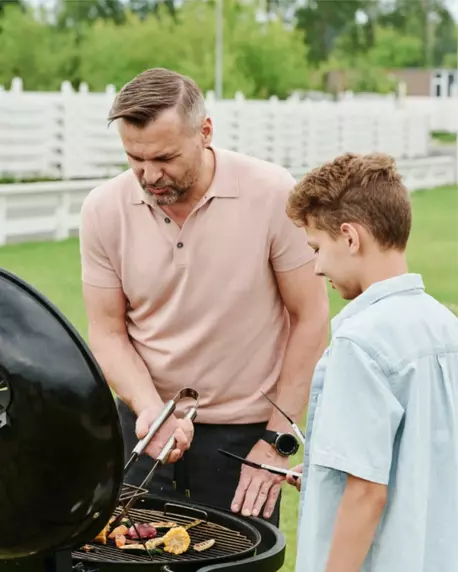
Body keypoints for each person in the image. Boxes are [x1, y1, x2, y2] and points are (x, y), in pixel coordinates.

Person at [78, 67, 329, 526]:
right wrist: (151, 412)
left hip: (245, 436)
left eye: (165, 157)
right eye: (135, 159)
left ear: (205, 132)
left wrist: (277, 441)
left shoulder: (273, 193)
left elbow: (310, 317)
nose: (150, 175)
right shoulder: (102, 209)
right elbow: (107, 332)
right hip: (143, 423)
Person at [284, 152, 458, 571]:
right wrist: (327, 480)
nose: (316, 267)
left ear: (350, 237)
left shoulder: (359, 341)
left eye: (317, 248)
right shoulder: (445, 326)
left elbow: (366, 494)